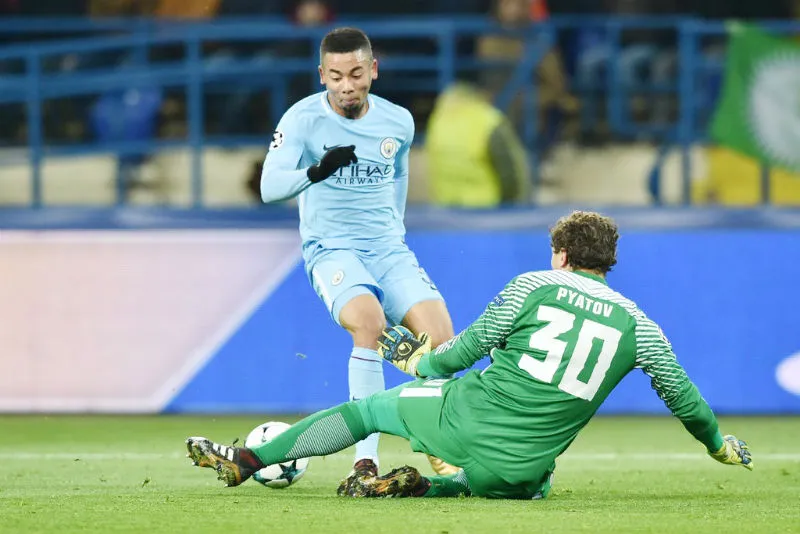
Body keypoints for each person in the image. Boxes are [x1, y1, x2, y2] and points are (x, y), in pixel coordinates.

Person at [186, 210, 753, 499]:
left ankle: (247, 462)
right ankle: (431, 487)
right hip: (521, 467)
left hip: (462, 413)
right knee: (532, 483)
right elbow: (686, 399)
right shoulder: (641, 327)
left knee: (367, 411)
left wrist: (418, 363)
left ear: (560, 254)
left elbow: (463, 352)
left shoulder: (535, 285)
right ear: (608, 262)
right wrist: (718, 446)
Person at [257, 27, 458, 477]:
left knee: (442, 342)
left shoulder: (398, 121)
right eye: (335, 76)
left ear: (373, 70)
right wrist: (317, 170)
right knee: (369, 323)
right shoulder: (301, 119)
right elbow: (269, 187)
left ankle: (437, 447)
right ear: (321, 75)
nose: (347, 86)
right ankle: (364, 459)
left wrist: (396, 228)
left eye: (355, 74)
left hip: (387, 249)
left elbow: (399, 174)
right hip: (332, 249)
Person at [427, 81, 531, 207]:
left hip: (447, 211)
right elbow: (510, 171)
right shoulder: (488, 120)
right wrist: (512, 206)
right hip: (487, 211)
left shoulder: (437, 121)